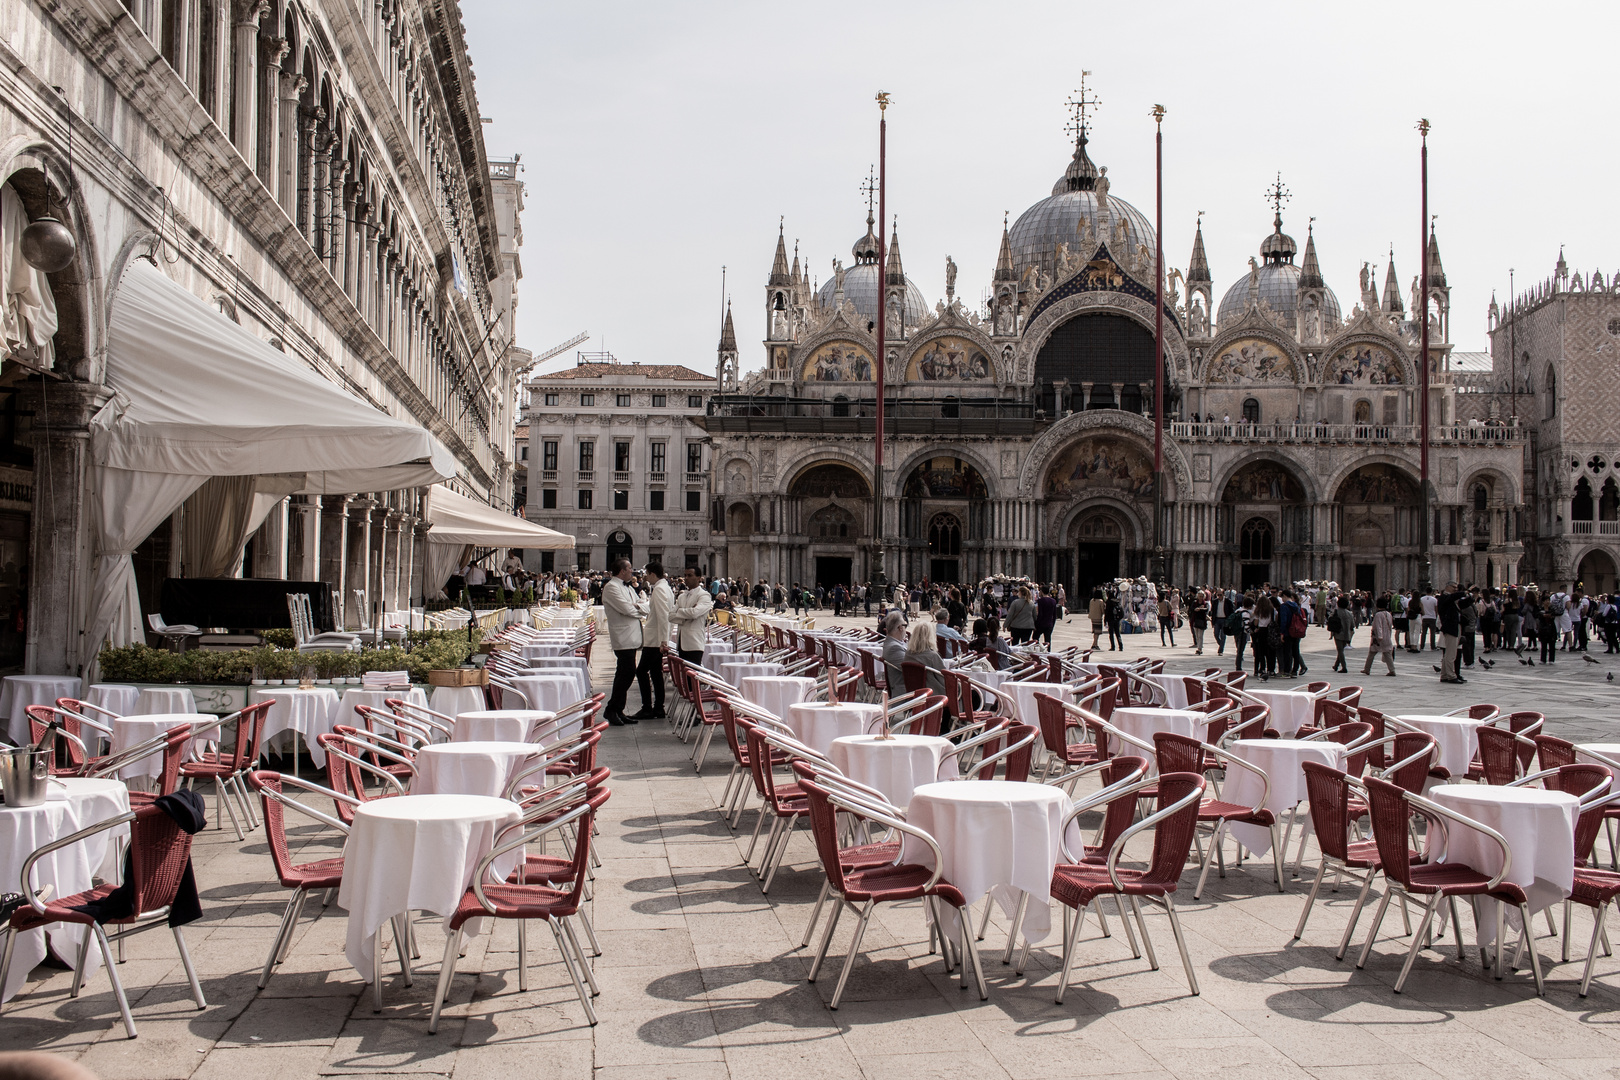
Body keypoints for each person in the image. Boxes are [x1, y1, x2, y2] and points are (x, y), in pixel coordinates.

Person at [601, 558, 649, 725]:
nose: (632, 571)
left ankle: (618, 709)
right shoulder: (612, 588)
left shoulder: (627, 588)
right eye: (629, 569)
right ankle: (611, 709)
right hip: (623, 636)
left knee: (624, 673)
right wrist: (638, 609)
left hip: (632, 635)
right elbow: (629, 609)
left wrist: (638, 608)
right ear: (621, 571)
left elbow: (643, 604)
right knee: (626, 673)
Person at [631, 563, 673, 719]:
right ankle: (658, 708)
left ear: (653, 574)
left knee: (641, 671)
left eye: (647, 574)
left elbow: (663, 615)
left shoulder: (660, 589)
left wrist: (663, 639)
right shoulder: (664, 588)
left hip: (655, 639)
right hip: (656, 637)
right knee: (656, 672)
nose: (645, 577)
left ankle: (648, 707)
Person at [672, 566, 714, 665]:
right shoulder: (682, 596)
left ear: (699, 578)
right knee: (684, 677)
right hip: (681, 643)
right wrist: (687, 615)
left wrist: (680, 612)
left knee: (692, 677)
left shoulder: (704, 595)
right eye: (685, 575)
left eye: (690, 575)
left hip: (694, 643)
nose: (686, 578)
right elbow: (671, 616)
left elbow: (694, 613)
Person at [1363, 601, 1396, 676]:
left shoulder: (1378, 615)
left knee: (1372, 653)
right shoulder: (1388, 614)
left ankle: (1367, 669)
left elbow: (1378, 626)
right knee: (1387, 654)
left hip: (1379, 638)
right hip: (1387, 636)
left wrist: (1379, 636)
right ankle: (1392, 670)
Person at [881, 610, 909, 691]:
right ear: (900, 628)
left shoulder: (893, 643)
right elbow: (911, 669)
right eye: (905, 626)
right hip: (905, 692)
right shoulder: (894, 647)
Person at [1329, 595, 1354, 673]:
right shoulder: (1350, 613)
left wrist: (1331, 633)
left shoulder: (1336, 612)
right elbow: (1352, 625)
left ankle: (1344, 667)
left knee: (1340, 651)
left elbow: (1331, 623)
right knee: (1341, 650)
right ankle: (1336, 665)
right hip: (1347, 634)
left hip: (1338, 633)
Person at [1188, 590, 1209, 655]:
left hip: (1202, 621)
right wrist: (1195, 609)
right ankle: (1199, 646)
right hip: (1195, 620)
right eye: (1200, 596)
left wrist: (1200, 609)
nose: (1201, 597)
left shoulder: (1205, 603)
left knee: (1200, 635)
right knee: (1197, 635)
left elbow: (1207, 610)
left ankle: (1199, 649)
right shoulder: (1195, 602)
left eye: (1202, 596)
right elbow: (1191, 609)